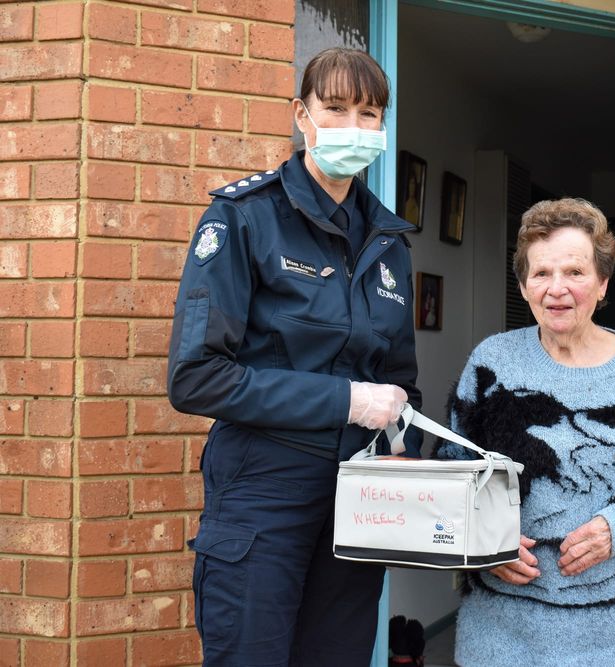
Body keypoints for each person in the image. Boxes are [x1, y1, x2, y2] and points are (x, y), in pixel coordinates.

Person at [167, 47, 422, 666]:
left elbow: (399, 382)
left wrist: (402, 453)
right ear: (301, 115)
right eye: (335, 108)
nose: (353, 127)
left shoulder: (389, 242)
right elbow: (196, 378)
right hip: (263, 489)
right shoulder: (244, 219)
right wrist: (346, 401)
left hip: (358, 500)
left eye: (369, 113)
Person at [435, 198, 615, 666]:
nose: (556, 289)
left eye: (575, 272)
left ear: (602, 283)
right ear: (523, 286)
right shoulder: (492, 364)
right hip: (502, 642)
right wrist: (482, 539)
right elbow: (449, 475)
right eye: (541, 273)